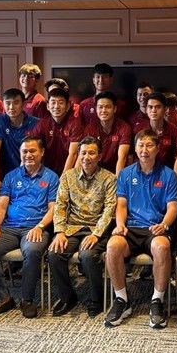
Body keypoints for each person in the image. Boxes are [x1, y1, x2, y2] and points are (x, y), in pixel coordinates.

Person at [0, 136, 58, 319]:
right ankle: (3, 298)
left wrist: (40, 226)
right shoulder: (11, 177)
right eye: (24, 151)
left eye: (32, 151)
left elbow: (54, 208)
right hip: (9, 228)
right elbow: (1, 206)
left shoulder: (51, 177)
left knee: (32, 250)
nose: (28, 155)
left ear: (42, 152)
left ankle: (27, 299)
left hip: (35, 227)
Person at [104, 129, 177, 328]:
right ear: (135, 149)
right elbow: (121, 205)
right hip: (131, 227)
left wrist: (164, 224)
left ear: (157, 149)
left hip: (156, 227)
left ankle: (157, 301)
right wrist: (120, 224)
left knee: (162, 247)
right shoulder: (126, 174)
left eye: (149, 145)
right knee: (112, 247)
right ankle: (122, 300)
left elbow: (173, 208)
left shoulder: (168, 175)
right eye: (140, 145)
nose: (144, 150)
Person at [48, 136, 116, 317]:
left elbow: (110, 209)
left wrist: (96, 234)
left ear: (99, 156)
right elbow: (60, 206)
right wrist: (60, 232)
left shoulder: (109, 178)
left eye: (92, 153)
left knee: (87, 255)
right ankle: (68, 297)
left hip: (96, 229)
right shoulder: (68, 176)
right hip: (72, 228)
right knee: (55, 253)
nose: (86, 157)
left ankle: (97, 299)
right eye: (83, 153)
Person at [0, 88, 40, 183]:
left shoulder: (35, 123)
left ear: (23, 104)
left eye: (16, 103)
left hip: (30, 173)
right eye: (8, 103)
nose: (11, 107)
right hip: (5, 172)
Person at [32, 87, 82, 174]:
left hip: (70, 170)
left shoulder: (74, 123)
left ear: (67, 106)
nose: (56, 106)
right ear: (48, 106)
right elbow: (35, 148)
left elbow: (73, 153)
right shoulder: (42, 124)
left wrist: (64, 177)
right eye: (53, 102)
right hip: (47, 171)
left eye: (61, 102)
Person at [81, 91, 131, 176]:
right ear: (96, 109)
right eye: (100, 107)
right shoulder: (90, 129)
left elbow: (122, 157)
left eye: (108, 107)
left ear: (115, 109)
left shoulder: (124, 128)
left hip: (117, 171)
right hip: (95, 173)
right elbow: (85, 155)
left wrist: (117, 181)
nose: (104, 110)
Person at [142, 93, 177, 168]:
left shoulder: (175, 131)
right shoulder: (138, 130)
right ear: (146, 110)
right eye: (150, 107)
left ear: (165, 109)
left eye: (158, 107)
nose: (153, 110)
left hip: (167, 174)